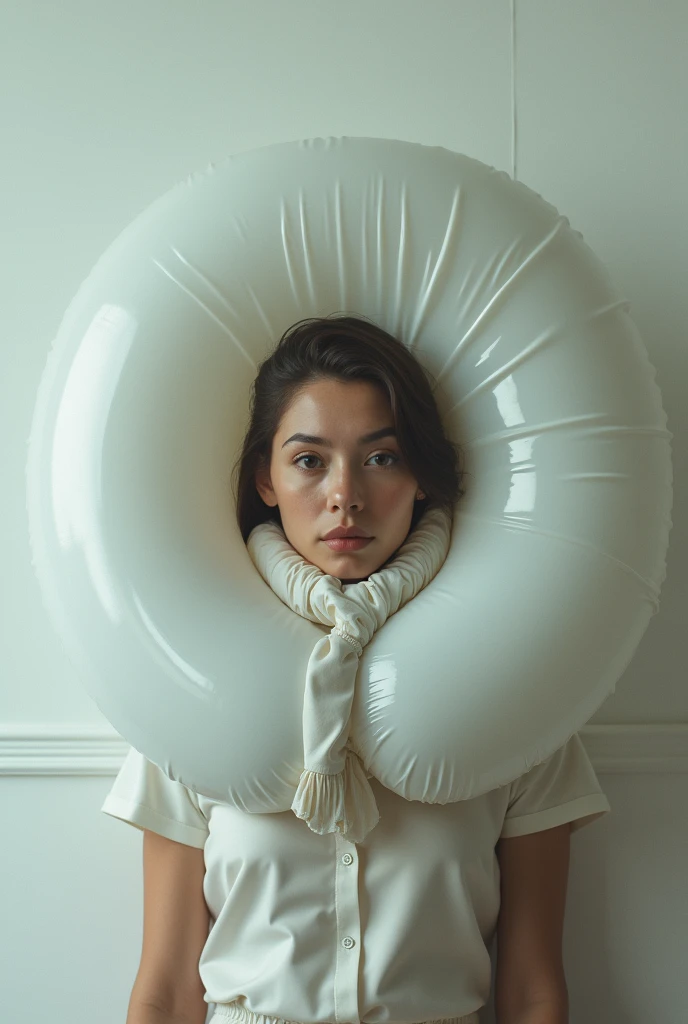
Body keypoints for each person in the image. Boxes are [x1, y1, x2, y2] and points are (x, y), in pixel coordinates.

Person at [102, 313, 611, 1024]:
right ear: (266, 479)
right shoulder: (196, 692)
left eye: (382, 457)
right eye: (310, 460)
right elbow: (164, 988)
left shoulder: (512, 687)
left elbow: (531, 989)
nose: (346, 494)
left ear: (421, 478)